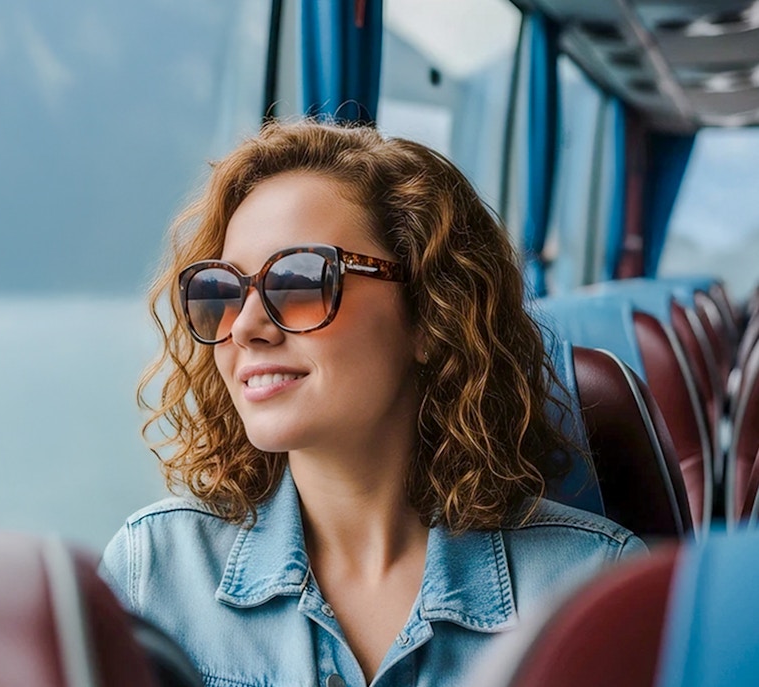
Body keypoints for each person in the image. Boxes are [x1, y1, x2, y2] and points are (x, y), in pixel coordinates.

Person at [99, 119, 645, 687]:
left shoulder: (596, 593)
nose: (244, 328)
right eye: (221, 292)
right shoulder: (152, 574)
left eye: (300, 281)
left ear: (431, 315)